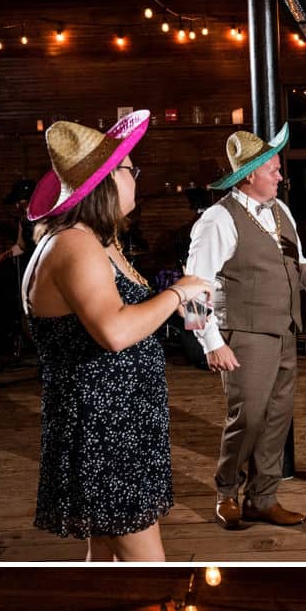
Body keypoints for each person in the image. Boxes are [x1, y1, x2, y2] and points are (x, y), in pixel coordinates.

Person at [19, 111, 209, 560]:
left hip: (121, 421)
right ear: (105, 181)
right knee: (150, 565)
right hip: (104, 430)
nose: (135, 176)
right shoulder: (74, 246)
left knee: (103, 558)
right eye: (129, 168)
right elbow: (115, 331)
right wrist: (179, 294)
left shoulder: (96, 240)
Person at [185, 122, 306, 530]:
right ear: (251, 174)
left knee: (277, 418)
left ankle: (263, 498)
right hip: (243, 335)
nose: (281, 176)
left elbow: (294, 263)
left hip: (284, 331)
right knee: (247, 418)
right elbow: (194, 288)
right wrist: (209, 342)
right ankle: (227, 491)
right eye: (274, 170)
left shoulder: (280, 212)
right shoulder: (217, 219)